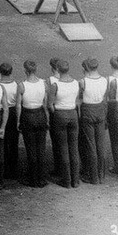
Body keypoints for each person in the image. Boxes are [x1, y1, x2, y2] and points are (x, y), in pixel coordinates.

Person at [49, 60, 80, 188]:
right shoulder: (75, 83)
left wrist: (55, 113)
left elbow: (50, 104)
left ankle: (66, 180)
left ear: (57, 69)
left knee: (63, 148)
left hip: (60, 115)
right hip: (73, 115)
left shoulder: (55, 84)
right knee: (73, 148)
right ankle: (75, 180)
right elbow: (76, 100)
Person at [78, 58, 109, 185]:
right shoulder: (104, 80)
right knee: (100, 144)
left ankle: (93, 176)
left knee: (91, 145)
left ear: (86, 69)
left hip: (88, 111)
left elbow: (79, 98)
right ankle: (101, 175)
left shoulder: (83, 81)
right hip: (100, 111)